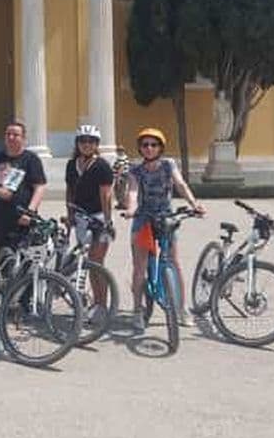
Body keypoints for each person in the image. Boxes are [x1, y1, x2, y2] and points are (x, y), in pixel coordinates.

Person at [124, 127, 205, 330]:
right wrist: (131, 209)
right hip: (143, 219)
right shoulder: (135, 170)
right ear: (140, 149)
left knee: (174, 263)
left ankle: (181, 309)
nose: (149, 148)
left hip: (166, 219)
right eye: (145, 145)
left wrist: (194, 204)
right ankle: (137, 310)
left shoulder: (169, 165)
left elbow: (180, 184)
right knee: (140, 268)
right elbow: (133, 192)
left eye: (154, 145)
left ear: (161, 147)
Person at [65, 124, 114, 309]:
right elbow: (70, 191)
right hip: (80, 217)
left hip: (98, 217)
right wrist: (69, 215)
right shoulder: (72, 165)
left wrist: (107, 221)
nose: (86, 144)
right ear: (77, 143)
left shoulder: (102, 166)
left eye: (91, 141)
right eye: (83, 141)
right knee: (85, 261)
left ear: (96, 144)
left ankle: (102, 305)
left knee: (96, 262)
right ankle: (93, 301)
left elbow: (106, 196)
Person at [0, 120, 47, 252]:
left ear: (23, 138)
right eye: (8, 134)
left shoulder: (31, 159)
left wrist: (30, 211)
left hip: (22, 219)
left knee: (21, 259)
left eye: (15, 135)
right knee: (3, 258)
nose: (11, 137)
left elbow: (39, 187)